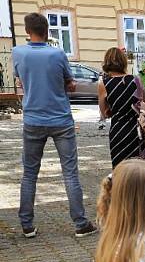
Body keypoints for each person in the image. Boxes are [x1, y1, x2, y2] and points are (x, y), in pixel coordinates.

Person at [12, 12, 97, 239]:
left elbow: (20, 81)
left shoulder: (17, 52)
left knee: (29, 173)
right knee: (70, 173)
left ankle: (27, 225)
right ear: (47, 30)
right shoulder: (58, 53)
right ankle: (80, 223)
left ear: (27, 31)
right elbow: (70, 85)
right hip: (60, 119)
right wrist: (66, 84)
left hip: (32, 119)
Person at [98, 48, 145, 167]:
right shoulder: (136, 80)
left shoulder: (104, 83)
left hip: (118, 130)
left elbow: (103, 113)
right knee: (138, 169)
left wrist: (111, 110)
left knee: (120, 169)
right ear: (123, 61)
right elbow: (144, 103)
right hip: (136, 130)